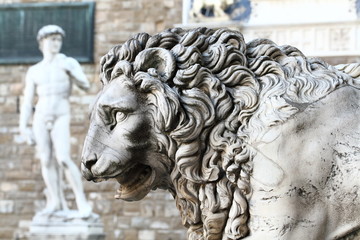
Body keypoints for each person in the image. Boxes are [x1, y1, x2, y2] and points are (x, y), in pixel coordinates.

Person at [19, 25, 92, 218]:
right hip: (41, 116)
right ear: (42, 42)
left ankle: (81, 202)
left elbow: (85, 84)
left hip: (61, 114)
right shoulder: (35, 71)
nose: (56, 43)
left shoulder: (68, 62)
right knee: (46, 160)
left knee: (63, 158)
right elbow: (27, 101)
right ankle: (55, 202)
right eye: (52, 39)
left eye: (58, 40)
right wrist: (23, 126)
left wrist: (71, 72)